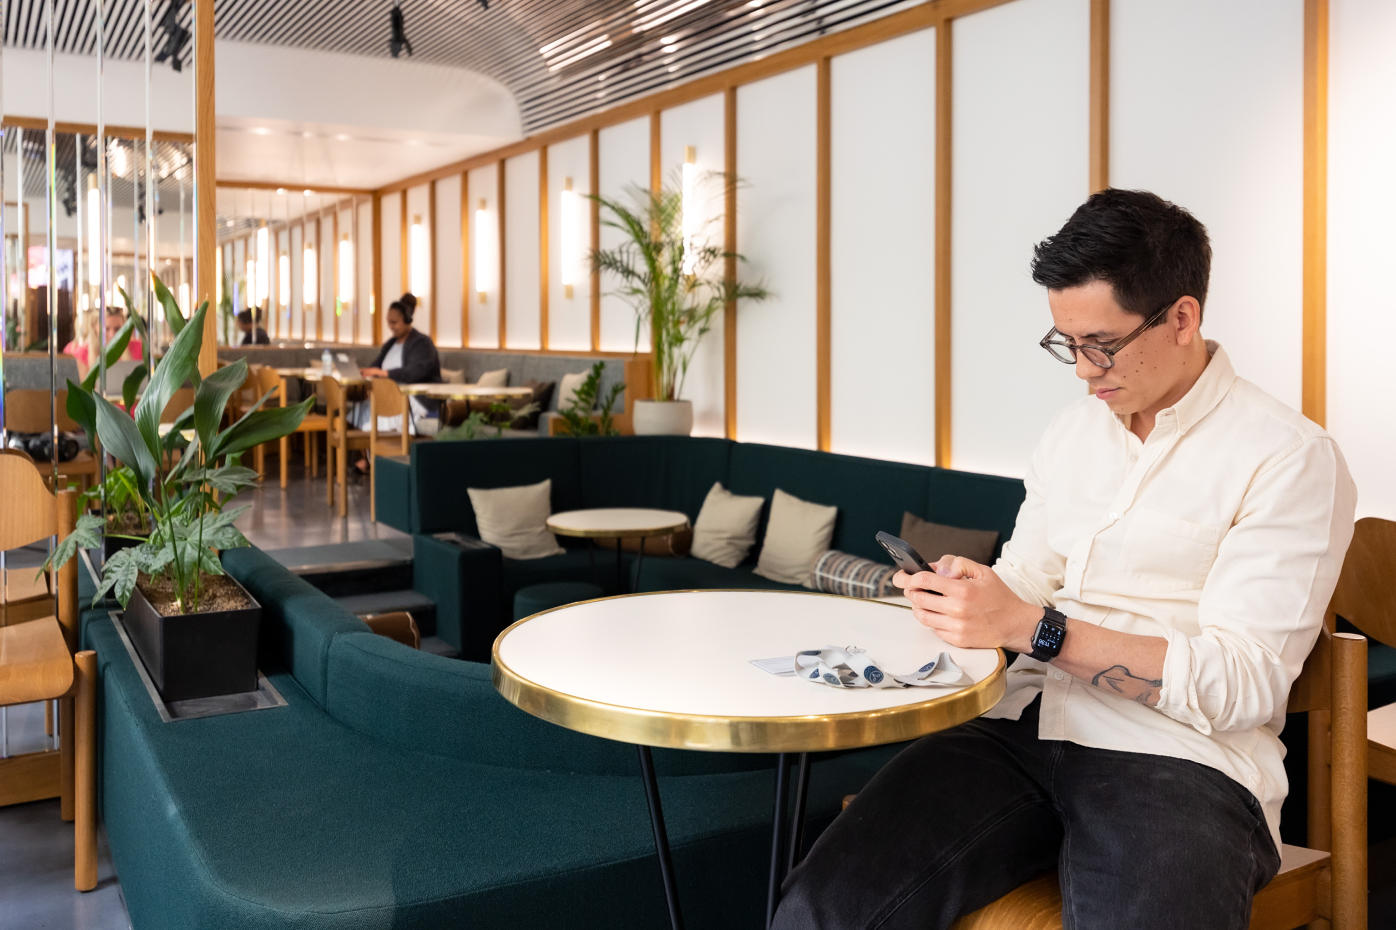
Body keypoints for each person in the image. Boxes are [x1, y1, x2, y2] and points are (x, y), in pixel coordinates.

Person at [775, 189, 1356, 930]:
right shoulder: (1073, 433)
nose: (1084, 370)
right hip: (1018, 727)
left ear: (1182, 317)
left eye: (1102, 344)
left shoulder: (1288, 458)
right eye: (1066, 344)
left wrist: (1035, 628)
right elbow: (1025, 581)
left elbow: (1242, 682)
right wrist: (970, 594)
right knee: (820, 907)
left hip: (1180, 760)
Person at [349, 294, 440, 466]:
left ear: (407, 320)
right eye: (388, 322)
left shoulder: (422, 343)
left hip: (414, 398)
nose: (391, 327)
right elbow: (376, 365)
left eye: (394, 322)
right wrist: (366, 371)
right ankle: (369, 458)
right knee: (361, 409)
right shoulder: (391, 343)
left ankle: (381, 460)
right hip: (390, 395)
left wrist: (384, 374)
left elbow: (415, 373)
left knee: (381, 409)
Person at [63, 308, 144, 376]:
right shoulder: (82, 353)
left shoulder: (139, 348)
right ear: (95, 329)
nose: (112, 334)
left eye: (117, 329)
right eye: (106, 329)